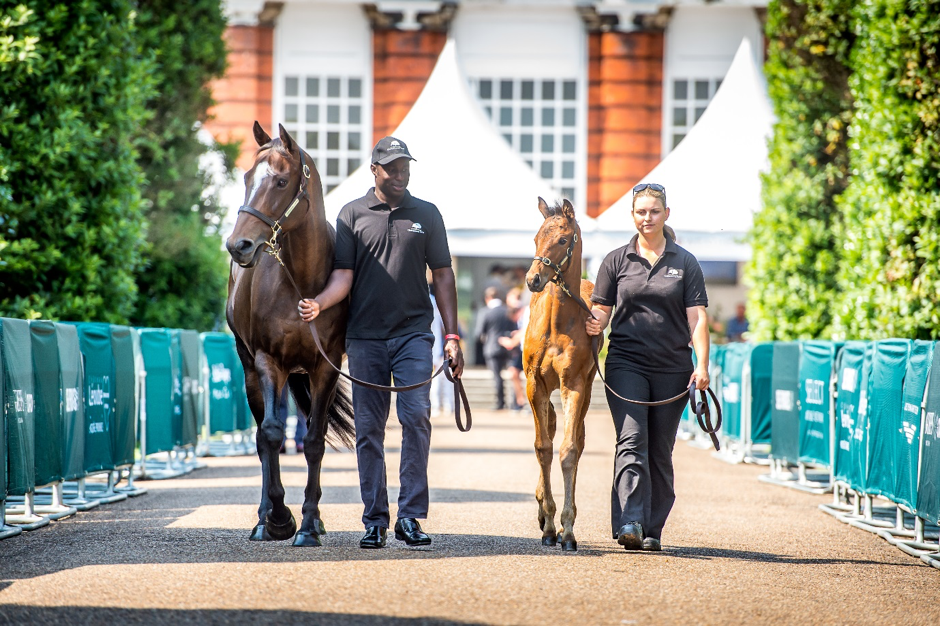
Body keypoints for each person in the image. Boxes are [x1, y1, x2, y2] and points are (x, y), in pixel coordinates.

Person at [298, 136, 464, 550]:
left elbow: (442, 275)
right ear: (374, 169)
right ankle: (374, 520)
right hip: (365, 337)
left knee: (417, 418)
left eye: (405, 166)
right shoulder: (351, 214)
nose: (401, 173)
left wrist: (452, 335)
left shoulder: (427, 213)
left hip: (413, 335)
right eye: (392, 167)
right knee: (369, 430)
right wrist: (319, 304)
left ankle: (409, 516)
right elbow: (344, 276)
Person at [585, 183, 709, 553]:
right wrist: (594, 322)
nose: (647, 218)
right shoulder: (615, 260)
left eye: (654, 211)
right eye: (641, 211)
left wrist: (702, 365)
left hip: (673, 368)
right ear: (633, 215)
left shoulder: (685, 262)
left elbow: (697, 318)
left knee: (659, 450)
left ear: (666, 214)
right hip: (626, 364)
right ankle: (630, 522)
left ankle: (653, 527)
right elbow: (601, 309)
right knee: (632, 441)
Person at [476, 286, 516, 410]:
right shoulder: (507, 310)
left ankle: (500, 403)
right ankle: (515, 403)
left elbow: (478, 333)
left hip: (492, 347)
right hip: (509, 346)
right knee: (513, 375)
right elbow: (514, 327)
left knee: (497, 376)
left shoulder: (485, 312)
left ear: (487, 298)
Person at [498, 287, 529, 412]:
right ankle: (520, 400)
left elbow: (527, 329)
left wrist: (511, 341)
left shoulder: (527, 311)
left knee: (527, 376)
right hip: (522, 348)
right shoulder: (520, 314)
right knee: (514, 372)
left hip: (528, 348)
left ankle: (526, 402)